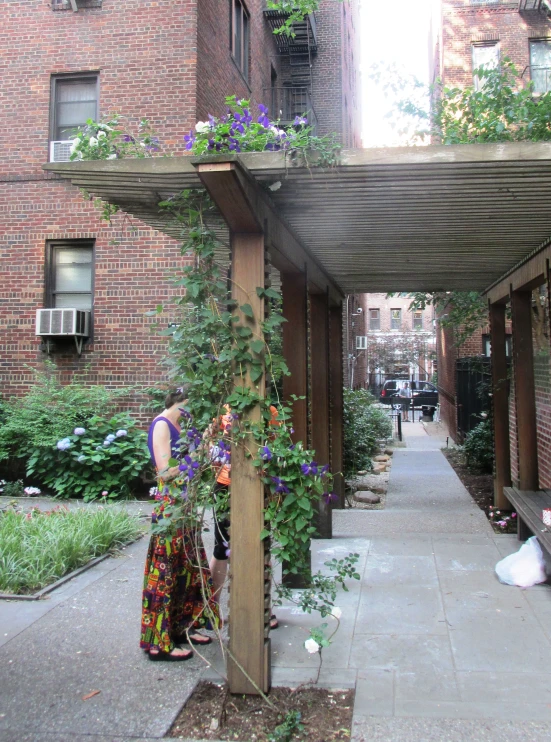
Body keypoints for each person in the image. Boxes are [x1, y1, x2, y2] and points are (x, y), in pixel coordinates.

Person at [140, 387, 220, 662]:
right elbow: (165, 471)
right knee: (165, 571)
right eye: (190, 408)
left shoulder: (181, 425)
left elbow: (199, 461)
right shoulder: (162, 425)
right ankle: (158, 644)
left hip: (184, 506)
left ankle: (185, 626)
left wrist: (206, 440)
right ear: (182, 403)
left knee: (188, 567)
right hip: (170, 507)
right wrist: (195, 457)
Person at [208, 403, 280, 630]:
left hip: (257, 484)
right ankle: (212, 608)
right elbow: (209, 440)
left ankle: (263, 608)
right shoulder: (221, 409)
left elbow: (275, 444)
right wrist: (217, 455)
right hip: (225, 484)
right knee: (222, 547)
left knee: (260, 543)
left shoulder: (269, 411)